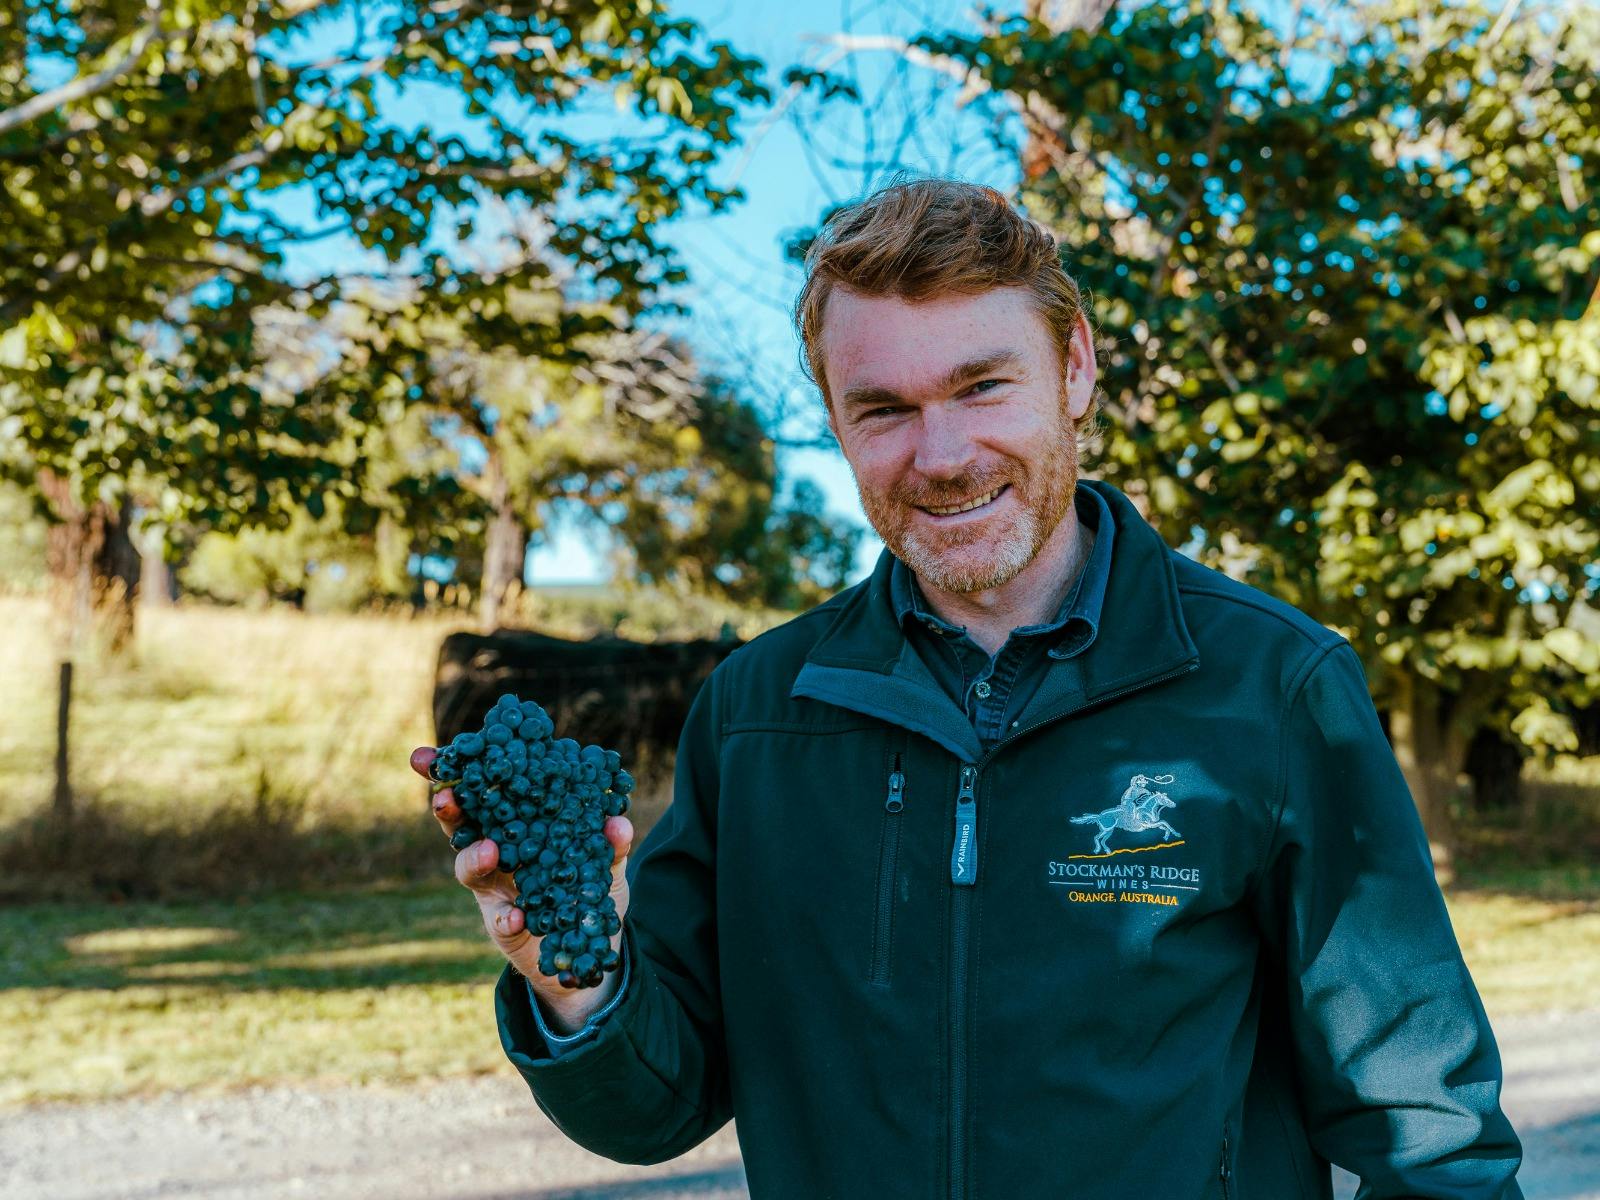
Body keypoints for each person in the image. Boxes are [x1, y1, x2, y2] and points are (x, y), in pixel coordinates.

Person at [410, 177, 1523, 1198]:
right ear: (837, 421)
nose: (940, 455)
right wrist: (577, 978)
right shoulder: (758, 711)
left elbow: (1428, 1135)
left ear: (1074, 367)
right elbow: (654, 1110)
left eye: (982, 386)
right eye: (882, 408)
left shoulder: (1270, 687)